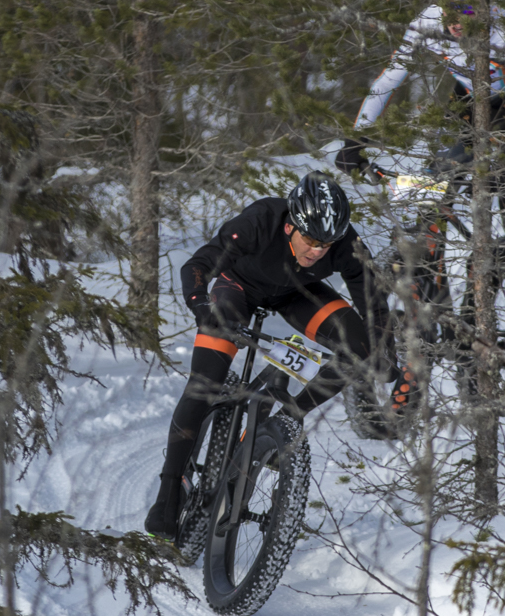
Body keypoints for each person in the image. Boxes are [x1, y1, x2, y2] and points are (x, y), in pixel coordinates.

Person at [143, 171, 408, 539]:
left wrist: (381, 351)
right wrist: (202, 308)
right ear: (289, 226)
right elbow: (197, 267)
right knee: (204, 383)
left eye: (326, 244)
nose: (317, 251)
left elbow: (373, 301)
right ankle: (170, 487)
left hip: (297, 293)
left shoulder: (346, 242)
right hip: (238, 287)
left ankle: (286, 420)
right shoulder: (260, 221)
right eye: (310, 240)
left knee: (358, 348)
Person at [335, 0, 505, 389]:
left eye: (465, 14)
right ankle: (431, 282)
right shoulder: (428, 22)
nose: (454, 24)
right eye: (449, 13)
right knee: (433, 186)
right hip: (467, 103)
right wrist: (356, 139)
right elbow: (390, 76)